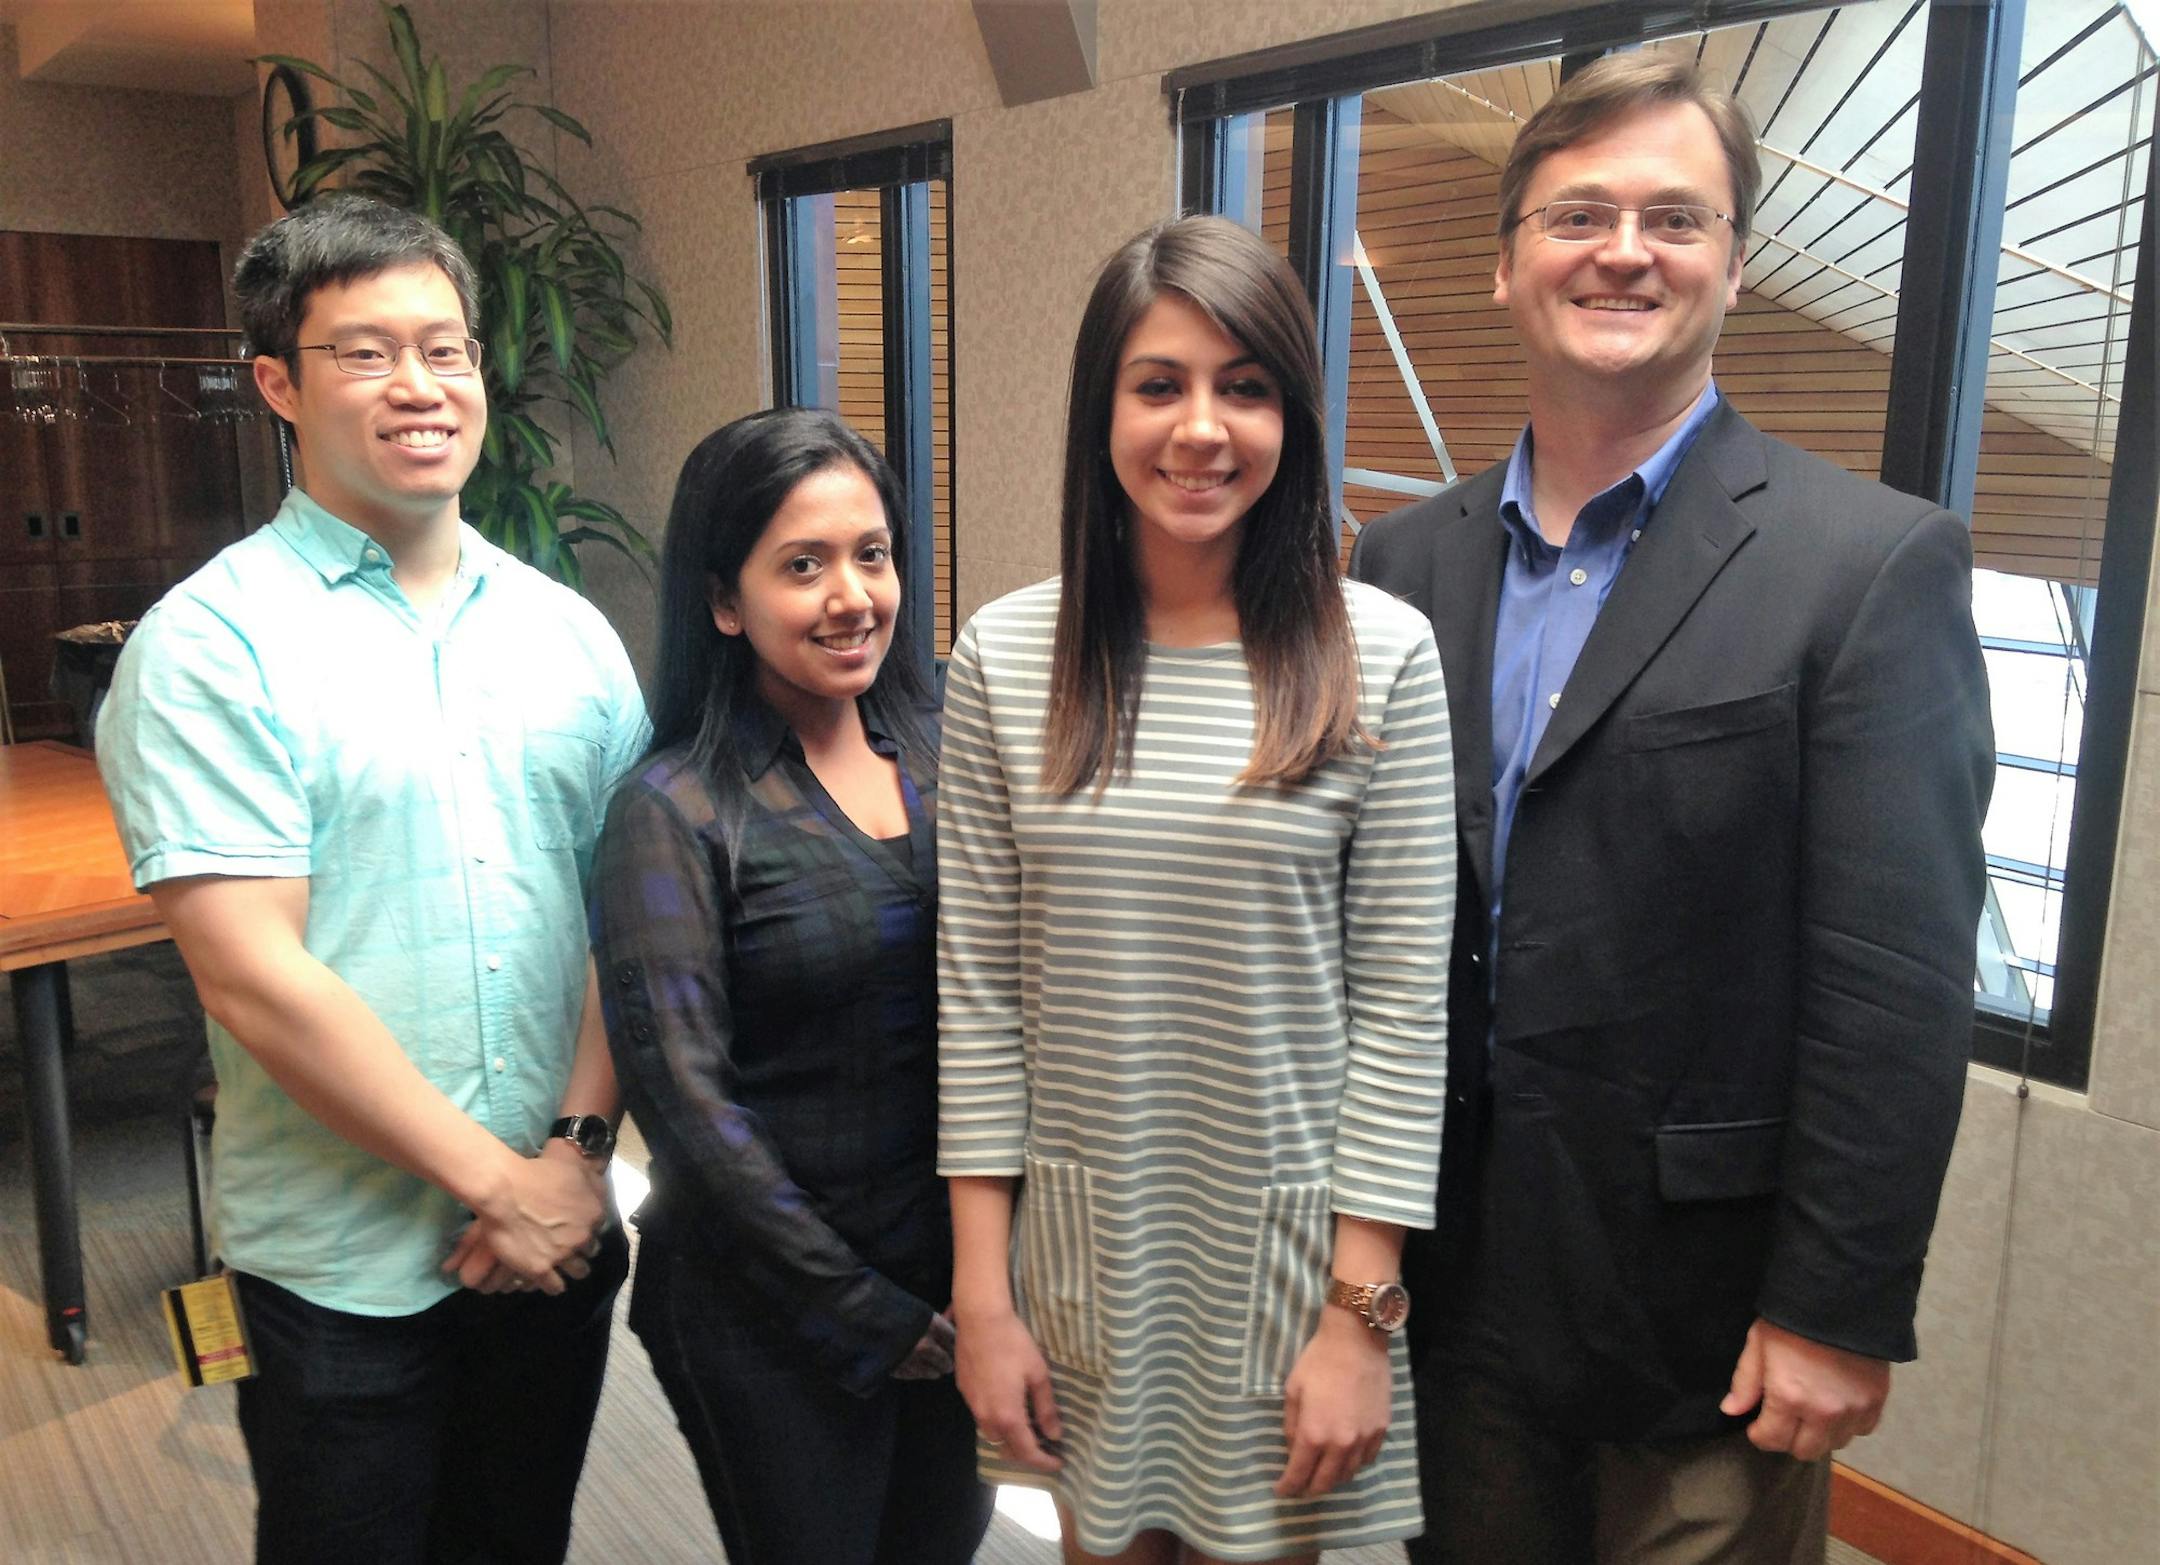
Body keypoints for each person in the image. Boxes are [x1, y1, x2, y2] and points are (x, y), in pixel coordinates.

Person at [1348, 53, 1995, 1565]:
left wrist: (1838, 1303)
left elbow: (1895, 978)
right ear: (1507, 263)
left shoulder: (1868, 565)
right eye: (1578, 214)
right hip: (1456, 1302)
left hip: (1709, 1328)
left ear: (1735, 264)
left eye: (1674, 217)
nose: (1624, 252)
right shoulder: (1400, 566)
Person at [95, 196, 645, 1563]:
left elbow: (626, 921)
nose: (420, 385)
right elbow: (255, 977)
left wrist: (574, 1157)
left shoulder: (570, 634)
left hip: (555, 1233)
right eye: (366, 352)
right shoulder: (209, 645)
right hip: (339, 1276)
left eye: (446, 349)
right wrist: (498, 1182)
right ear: (278, 383)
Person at [938, 215, 1455, 1565]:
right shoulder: (1006, 654)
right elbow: (979, 1001)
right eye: (1159, 385)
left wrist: (1360, 1314)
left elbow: (1403, 1017)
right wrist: (982, 1297)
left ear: (1293, 416)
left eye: (1246, 387)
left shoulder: (1381, 655)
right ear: (1101, 410)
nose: (1202, 429)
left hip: (1286, 1266)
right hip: (1084, 1247)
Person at [587, 408, 992, 1565]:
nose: (851, 595)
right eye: (803, 565)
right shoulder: (675, 808)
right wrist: (862, 1308)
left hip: (959, 1283)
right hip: (767, 1308)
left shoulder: (948, 752)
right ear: (726, 600)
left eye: (873, 554)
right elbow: (688, 1104)